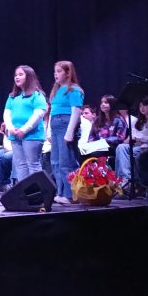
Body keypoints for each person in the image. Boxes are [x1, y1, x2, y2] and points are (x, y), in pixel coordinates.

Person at [3, 65, 47, 184]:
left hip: (32, 135)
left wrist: (24, 130)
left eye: (20, 74)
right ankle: (25, 191)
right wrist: (11, 128)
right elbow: (6, 114)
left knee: (33, 164)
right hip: (15, 135)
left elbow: (38, 114)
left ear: (29, 77)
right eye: (16, 75)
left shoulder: (37, 95)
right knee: (20, 165)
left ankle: (38, 192)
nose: (17, 77)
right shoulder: (12, 96)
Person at [48, 60, 83, 204]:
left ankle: (71, 194)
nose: (56, 74)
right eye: (55, 71)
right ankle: (61, 192)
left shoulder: (74, 89)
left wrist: (70, 132)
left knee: (66, 161)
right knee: (55, 162)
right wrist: (48, 131)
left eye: (59, 71)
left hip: (65, 124)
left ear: (68, 73)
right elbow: (52, 112)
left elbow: (76, 111)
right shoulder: (57, 90)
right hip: (56, 125)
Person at [115, 95, 148, 190]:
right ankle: (125, 179)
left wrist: (138, 139)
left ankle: (129, 182)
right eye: (140, 106)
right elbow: (133, 135)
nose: (142, 108)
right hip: (137, 145)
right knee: (121, 147)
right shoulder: (138, 121)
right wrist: (132, 140)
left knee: (128, 152)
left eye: (145, 105)